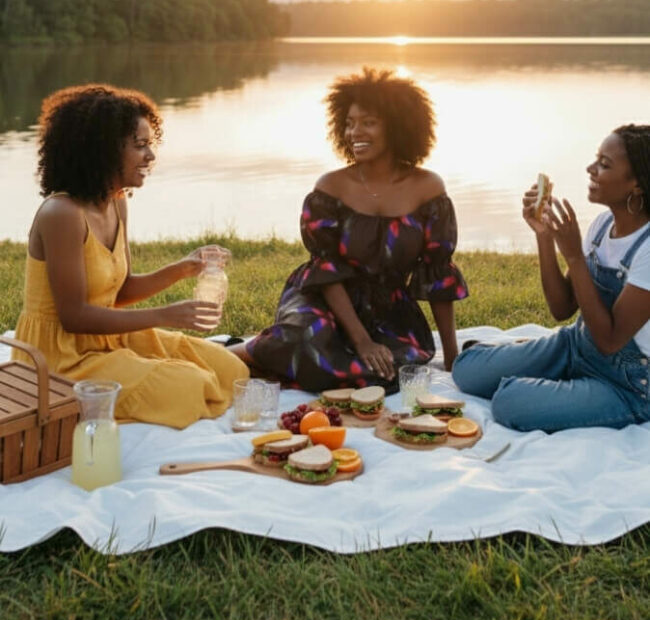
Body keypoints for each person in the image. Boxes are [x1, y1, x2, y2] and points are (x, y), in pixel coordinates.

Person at [13, 84, 248, 428]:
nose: (151, 156)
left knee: (229, 368)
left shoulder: (117, 202)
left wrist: (182, 268)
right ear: (103, 149)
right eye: (140, 145)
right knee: (191, 385)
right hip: (61, 359)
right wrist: (165, 315)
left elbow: (120, 291)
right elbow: (74, 317)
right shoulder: (61, 214)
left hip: (105, 340)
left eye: (151, 144)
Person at [229, 67, 468, 392]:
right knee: (305, 340)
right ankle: (232, 354)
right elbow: (326, 272)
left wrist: (452, 356)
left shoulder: (428, 188)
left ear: (398, 126)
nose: (354, 132)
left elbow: (438, 274)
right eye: (350, 123)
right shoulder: (331, 188)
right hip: (326, 297)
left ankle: (275, 364)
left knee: (392, 369)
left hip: (389, 309)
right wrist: (361, 341)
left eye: (368, 122)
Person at [452, 124, 650, 433]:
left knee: (509, 401)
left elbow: (610, 341)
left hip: (625, 386)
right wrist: (544, 234)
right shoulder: (602, 225)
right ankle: (551, 376)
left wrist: (574, 257)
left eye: (604, 164)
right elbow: (561, 309)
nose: (590, 169)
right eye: (596, 159)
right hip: (576, 346)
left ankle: (556, 386)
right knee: (466, 370)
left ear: (636, 185)